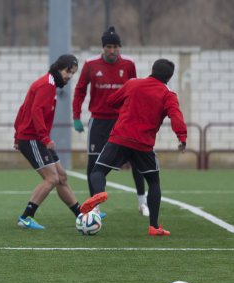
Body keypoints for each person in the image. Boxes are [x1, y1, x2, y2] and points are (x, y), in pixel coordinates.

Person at [80, 59, 187, 236]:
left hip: (119, 138)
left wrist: (126, 106)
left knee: (97, 171)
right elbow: (176, 115)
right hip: (143, 144)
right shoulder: (168, 94)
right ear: (169, 77)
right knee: (153, 182)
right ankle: (153, 226)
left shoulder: (133, 84)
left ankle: (99, 193)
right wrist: (181, 137)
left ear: (152, 70)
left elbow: (112, 101)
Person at [72, 26, 149, 217]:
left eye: (115, 46)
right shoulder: (90, 65)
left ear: (119, 47)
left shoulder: (129, 65)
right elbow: (80, 90)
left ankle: (142, 202)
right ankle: (94, 205)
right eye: (108, 46)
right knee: (94, 163)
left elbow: (135, 91)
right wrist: (76, 116)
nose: (112, 50)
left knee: (136, 160)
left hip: (123, 121)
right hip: (99, 121)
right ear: (103, 47)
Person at [14, 54, 82, 230]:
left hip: (36, 138)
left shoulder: (48, 83)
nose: (69, 77)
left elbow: (23, 109)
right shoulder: (47, 85)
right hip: (32, 138)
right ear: (60, 68)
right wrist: (43, 137)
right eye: (69, 72)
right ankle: (26, 217)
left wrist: (16, 134)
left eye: (73, 73)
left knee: (62, 177)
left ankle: (81, 215)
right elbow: (36, 112)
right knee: (51, 178)